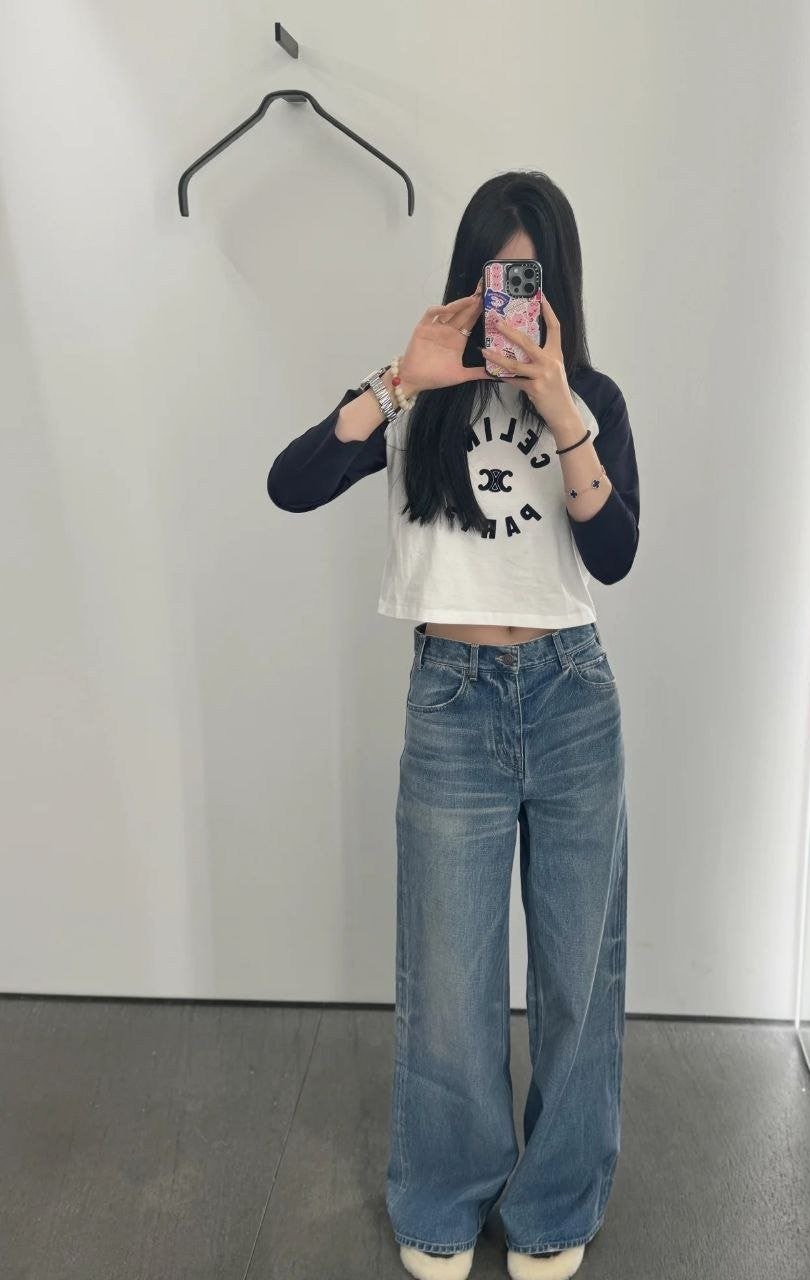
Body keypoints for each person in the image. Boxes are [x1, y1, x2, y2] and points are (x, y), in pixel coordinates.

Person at [267, 171, 639, 1280]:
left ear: (556, 288)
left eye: (528, 279)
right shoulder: (417, 398)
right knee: (447, 975)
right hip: (451, 697)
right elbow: (291, 483)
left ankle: (556, 1199)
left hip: (570, 695)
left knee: (578, 974)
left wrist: (562, 408)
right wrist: (395, 381)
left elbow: (615, 553)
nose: (508, 300)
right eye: (494, 277)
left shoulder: (592, 397)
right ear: (468, 282)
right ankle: (442, 1192)